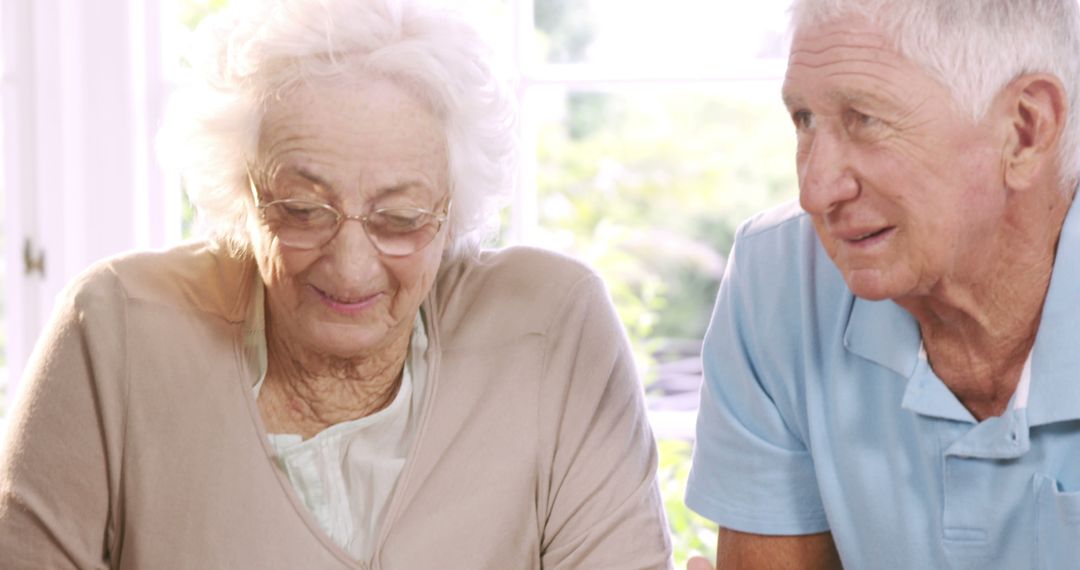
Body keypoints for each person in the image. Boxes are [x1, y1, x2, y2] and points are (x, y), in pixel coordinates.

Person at [0, 0, 674, 567]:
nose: (351, 266)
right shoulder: (117, 331)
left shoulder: (552, 329)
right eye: (302, 211)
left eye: (400, 219)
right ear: (242, 191)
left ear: (454, 211)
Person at [685, 0, 1080, 568]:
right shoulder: (779, 281)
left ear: (1025, 130)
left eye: (865, 120)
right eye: (804, 121)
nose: (816, 192)